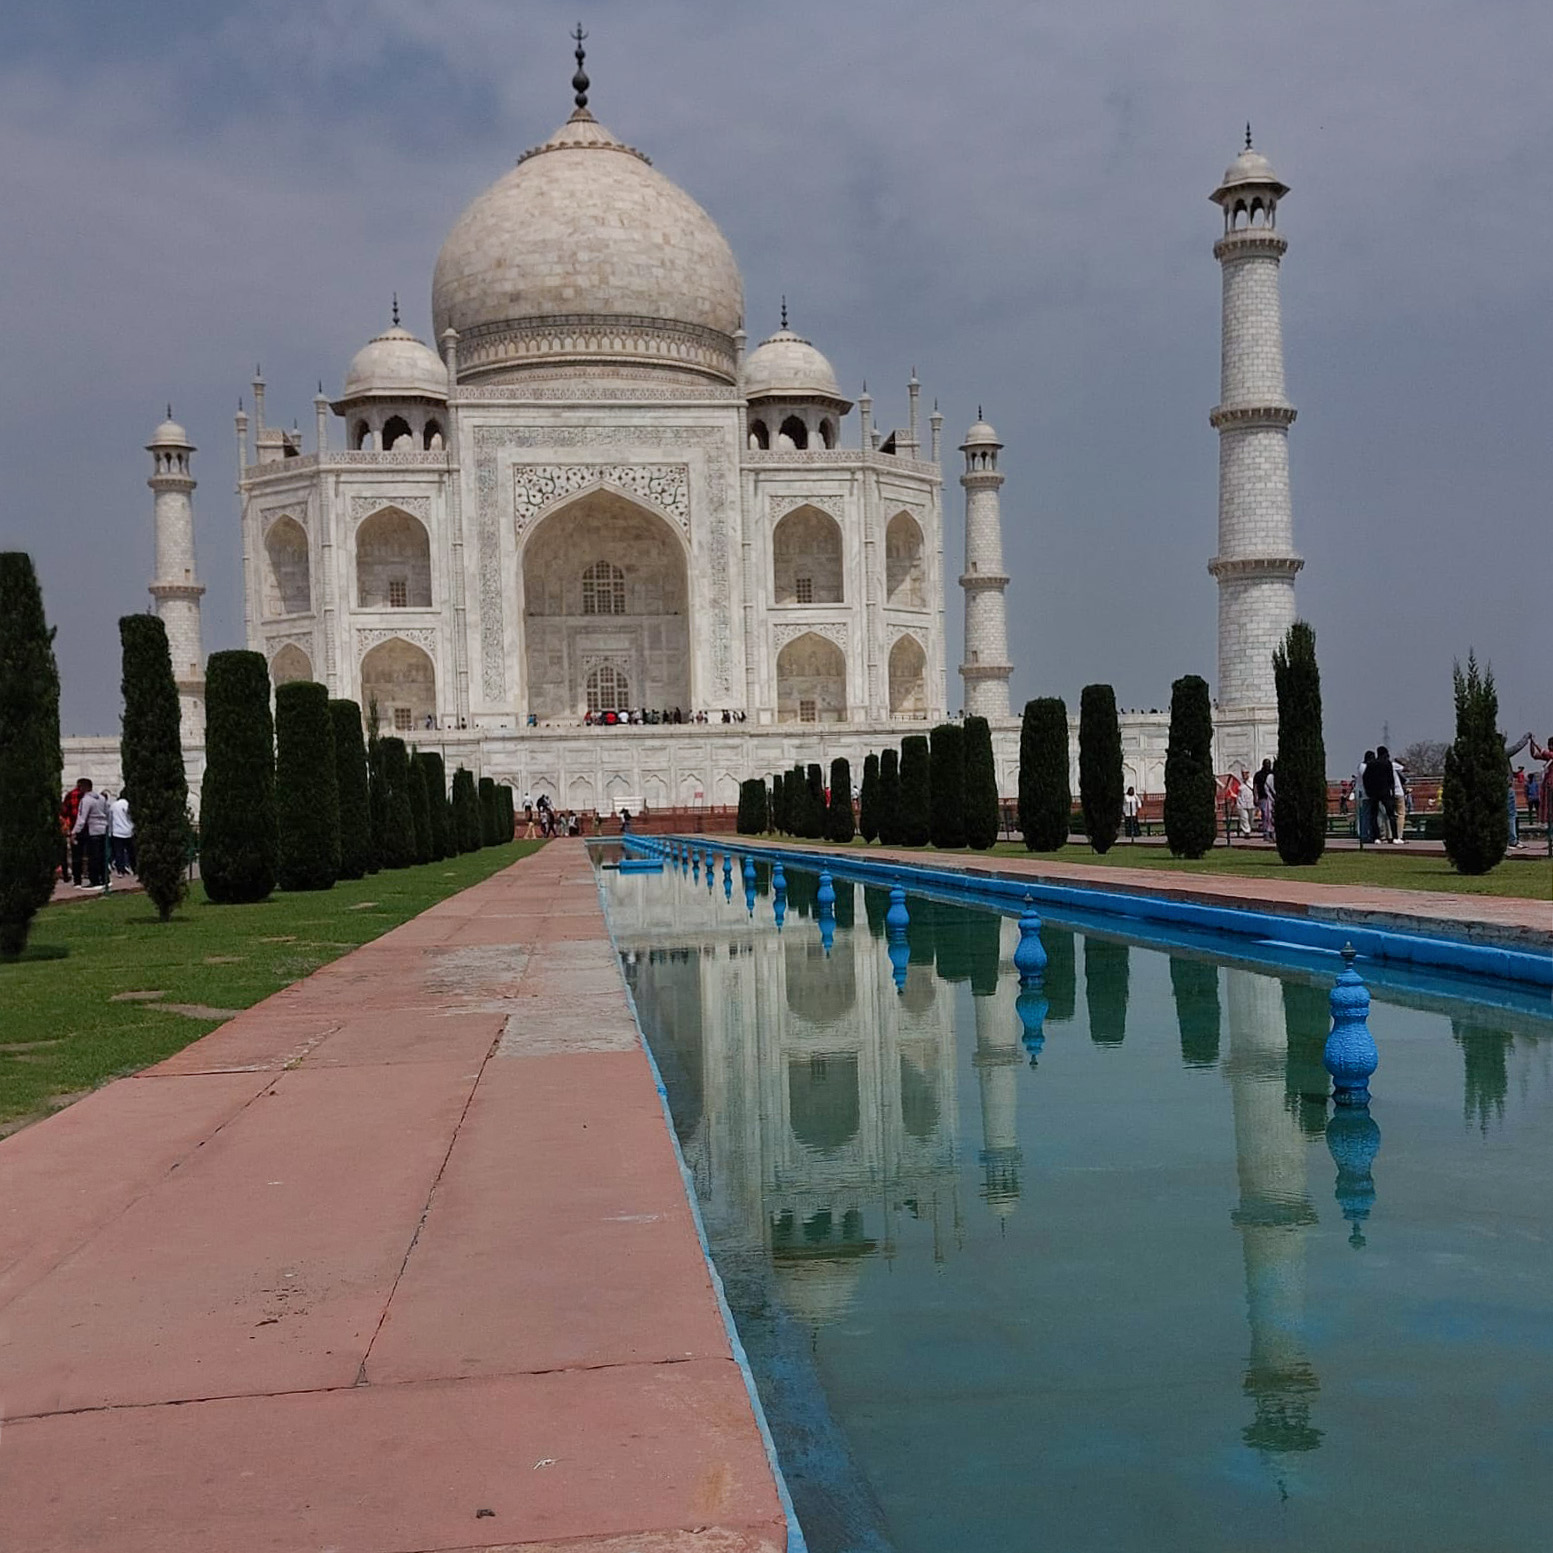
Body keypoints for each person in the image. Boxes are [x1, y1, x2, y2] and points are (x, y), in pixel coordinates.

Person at [73, 782, 112, 888]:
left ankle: (95, 881)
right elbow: (108, 813)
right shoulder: (101, 798)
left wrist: (75, 831)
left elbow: (82, 817)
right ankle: (105, 878)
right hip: (103, 829)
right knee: (102, 856)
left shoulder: (86, 800)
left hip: (93, 830)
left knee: (93, 857)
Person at [60, 777, 90, 885]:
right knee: (90, 854)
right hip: (89, 829)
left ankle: (77, 880)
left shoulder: (70, 795)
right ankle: (92, 876)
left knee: (76, 855)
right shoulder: (91, 796)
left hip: (75, 829)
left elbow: (64, 813)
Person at [1364, 746, 1395, 844]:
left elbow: (1366, 778)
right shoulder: (1387, 763)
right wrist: (1391, 789)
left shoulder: (1371, 764)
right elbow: (1391, 778)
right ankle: (1395, 836)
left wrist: (1368, 791)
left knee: (1374, 815)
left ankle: (1376, 837)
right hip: (1385, 792)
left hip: (1373, 792)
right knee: (1391, 814)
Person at [109, 790, 136, 876]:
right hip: (129, 830)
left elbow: (110, 818)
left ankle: (120, 871)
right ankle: (134, 868)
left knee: (118, 852)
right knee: (131, 851)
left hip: (117, 832)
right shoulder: (128, 804)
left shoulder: (113, 805)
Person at [1253, 759, 1275, 842]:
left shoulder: (1272, 774)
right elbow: (1255, 786)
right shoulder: (1258, 775)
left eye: (1269, 764)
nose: (1268, 765)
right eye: (1266, 764)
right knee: (1265, 815)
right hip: (1263, 797)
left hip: (1272, 797)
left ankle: (1272, 832)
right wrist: (1255, 797)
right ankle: (1266, 833)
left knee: (1272, 815)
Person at [1355, 752, 1374, 842]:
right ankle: (1365, 835)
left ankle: (1363, 834)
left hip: (1360, 792)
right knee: (1366, 815)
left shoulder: (1360, 766)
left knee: (1363, 815)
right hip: (1366, 792)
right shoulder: (1366, 767)